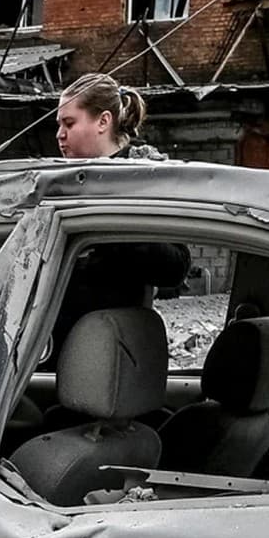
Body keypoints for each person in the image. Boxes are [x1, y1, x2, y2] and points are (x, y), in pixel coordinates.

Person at [48, 73, 190, 367]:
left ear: (103, 122)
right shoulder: (61, 184)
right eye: (59, 125)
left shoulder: (143, 179)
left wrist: (105, 223)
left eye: (69, 123)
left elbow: (175, 266)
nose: (60, 134)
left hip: (110, 355)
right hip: (55, 355)